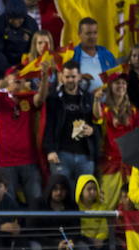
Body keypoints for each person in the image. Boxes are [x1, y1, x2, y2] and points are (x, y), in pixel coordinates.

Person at [0, 63, 49, 209]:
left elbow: (41, 99)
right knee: (9, 204)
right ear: (6, 78)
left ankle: (35, 230)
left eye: (21, 75)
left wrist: (45, 76)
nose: (18, 77)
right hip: (5, 161)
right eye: (14, 75)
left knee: (36, 201)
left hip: (29, 159)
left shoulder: (28, 97)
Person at [93, 73, 139, 212]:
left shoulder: (133, 110)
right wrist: (96, 100)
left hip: (131, 165)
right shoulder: (104, 107)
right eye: (117, 83)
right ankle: (107, 235)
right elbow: (97, 116)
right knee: (107, 205)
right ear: (110, 86)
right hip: (110, 164)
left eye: (123, 83)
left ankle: (132, 234)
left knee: (134, 205)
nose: (121, 86)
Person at [43, 60, 96, 188]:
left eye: (73, 76)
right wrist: (50, 150)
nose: (70, 80)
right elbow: (48, 125)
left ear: (79, 76)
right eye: (67, 77)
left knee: (85, 195)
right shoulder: (53, 98)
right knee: (62, 194)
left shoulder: (89, 98)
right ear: (61, 76)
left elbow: (98, 123)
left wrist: (92, 130)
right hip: (61, 155)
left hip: (85, 155)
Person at [0, 0, 38, 77]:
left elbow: (34, 47)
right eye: (13, 19)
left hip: (25, 64)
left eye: (20, 19)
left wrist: (28, 66)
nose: (16, 22)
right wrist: (8, 69)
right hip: (3, 66)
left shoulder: (31, 24)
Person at [71, 17, 117, 93]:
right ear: (79, 34)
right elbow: (64, 81)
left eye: (95, 33)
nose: (92, 37)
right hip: (81, 103)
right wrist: (79, 77)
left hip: (106, 103)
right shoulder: (71, 55)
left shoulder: (107, 54)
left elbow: (116, 79)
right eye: (88, 33)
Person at [74, 174, 110, 250]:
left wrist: (99, 238)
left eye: (95, 189)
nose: (93, 192)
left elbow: (104, 227)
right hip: (82, 240)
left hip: (99, 241)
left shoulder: (102, 207)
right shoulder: (75, 208)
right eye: (89, 189)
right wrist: (89, 239)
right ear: (81, 190)